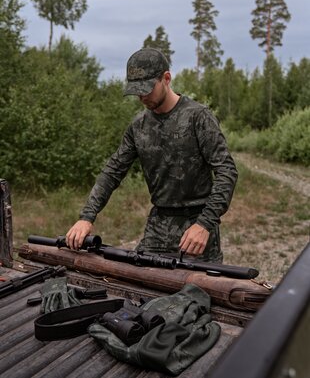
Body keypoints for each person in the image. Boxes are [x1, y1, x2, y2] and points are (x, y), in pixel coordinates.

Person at [66, 48, 238, 262]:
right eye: (137, 91)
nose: (142, 97)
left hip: (196, 226)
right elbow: (112, 172)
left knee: (195, 291)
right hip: (158, 226)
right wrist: (86, 217)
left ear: (166, 78)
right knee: (139, 284)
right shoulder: (139, 126)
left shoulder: (198, 117)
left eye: (147, 89)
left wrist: (204, 224)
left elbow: (226, 171)